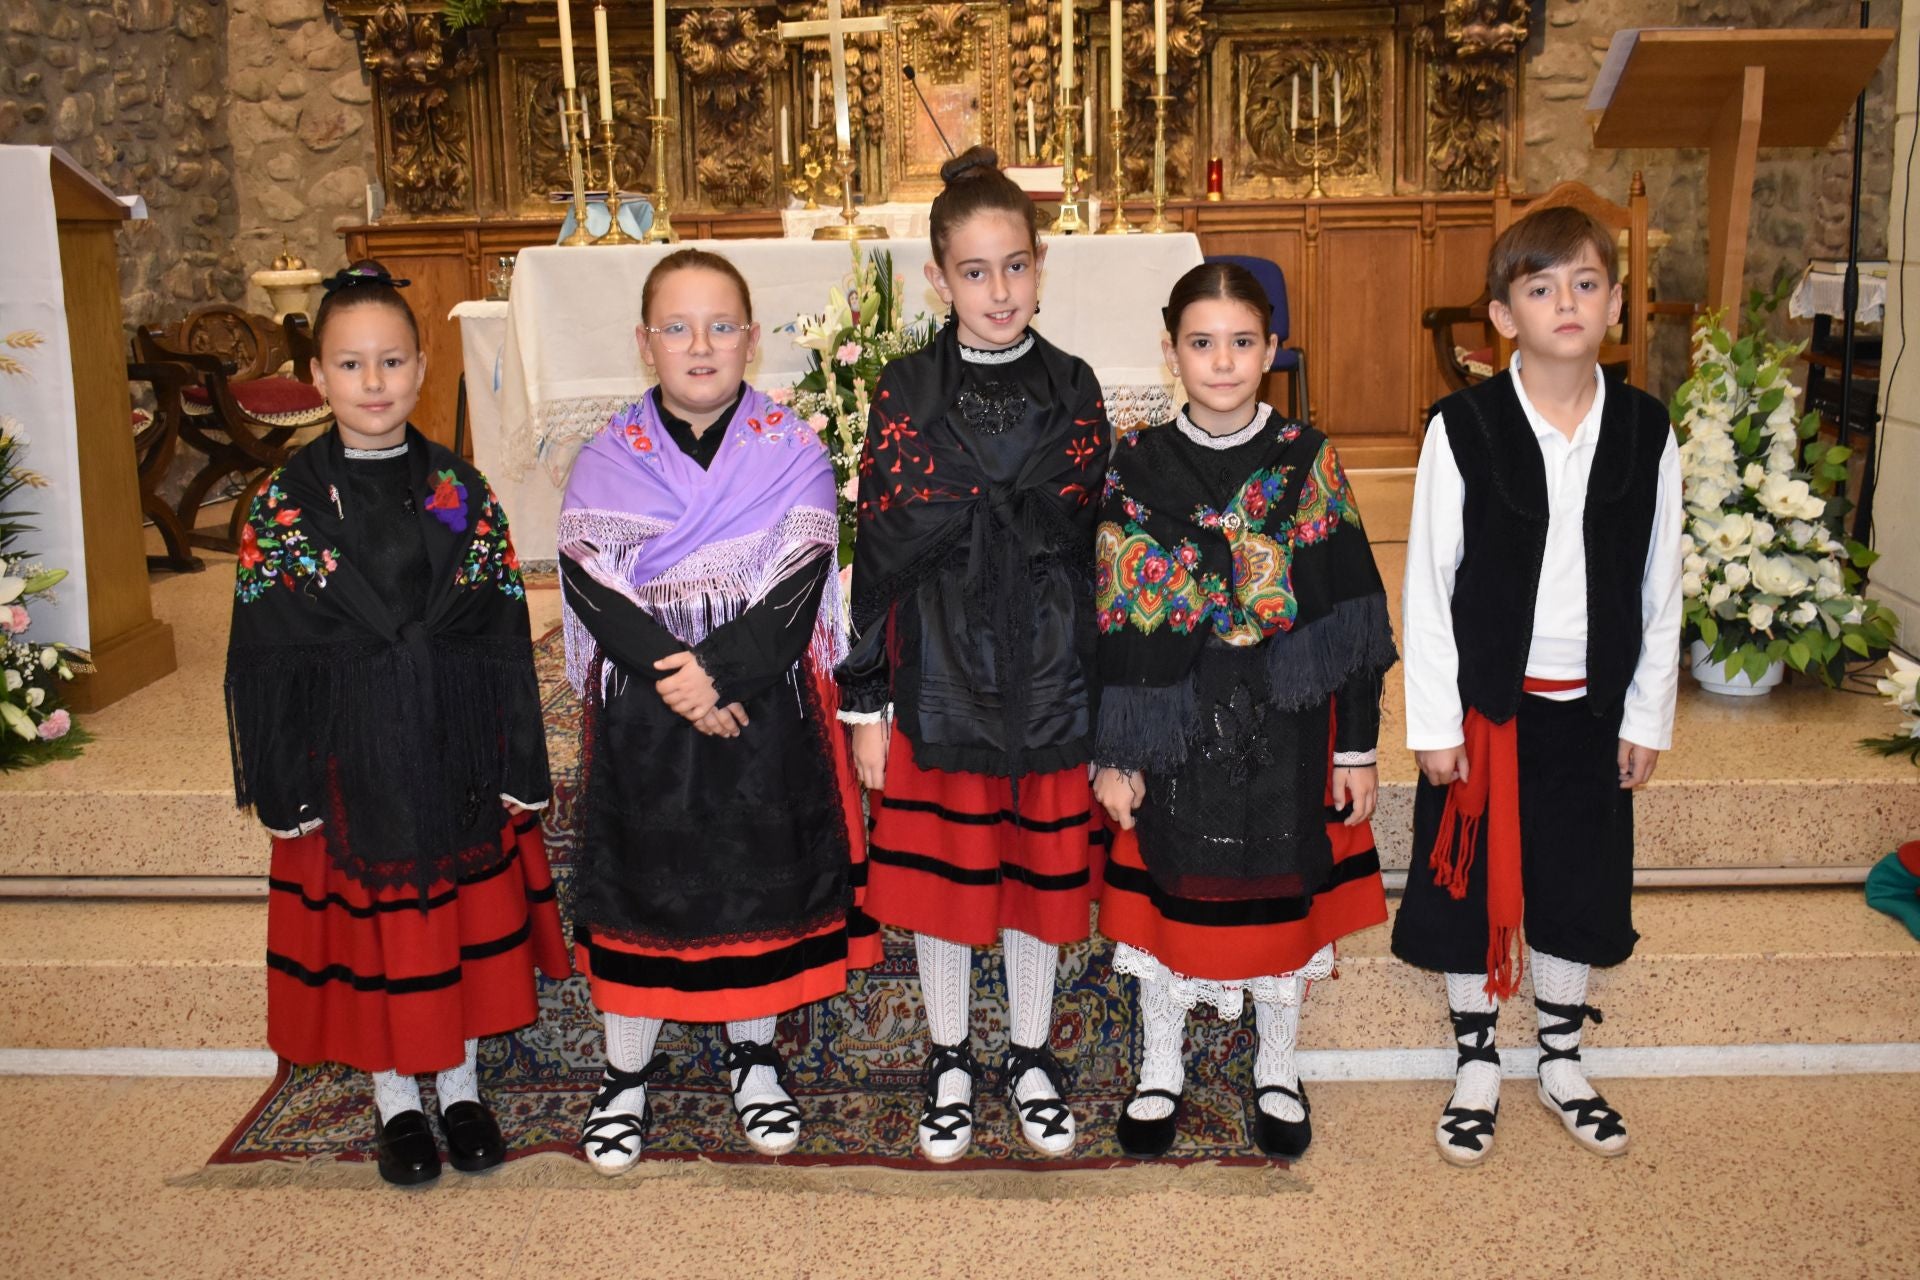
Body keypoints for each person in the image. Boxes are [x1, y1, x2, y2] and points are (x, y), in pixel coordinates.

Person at [225, 261, 568, 1187]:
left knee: (442, 926)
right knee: (380, 931)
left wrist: (515, 754)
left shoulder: (458, 490)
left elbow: (498, 624)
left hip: (447, 742)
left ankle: (458, 1085)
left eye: (390, 362)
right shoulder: (287, 504)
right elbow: (265, 648)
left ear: (422, 370)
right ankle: (395, 1098)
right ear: (319, 378)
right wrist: (282, 778)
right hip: (348, 753)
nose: (372, 385)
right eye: (349, 365)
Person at [559, 248, 877, 1175]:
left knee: (755, 881)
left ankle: (755, 1058)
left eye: (721, 325)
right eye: (677, 327)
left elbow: (797, 583)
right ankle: (624, 1074)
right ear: (644, 342)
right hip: (646, 708)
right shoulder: (609, 453)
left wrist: (721, 674)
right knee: (645, 881)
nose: (700, 345)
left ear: (751, 339)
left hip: (761, 702)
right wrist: (676, 675)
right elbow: (588, 581)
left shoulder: (793, 447)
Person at [1393, 206, 1682, 1165]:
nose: (1567, 302)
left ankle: (1561, 1055)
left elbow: (1660, 581)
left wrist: (1646, 712)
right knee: (1469, 887)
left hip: (1592, 707)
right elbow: (1430, 582)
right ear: (1503, 315)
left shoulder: (1645, 428)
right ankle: (1477, 1058)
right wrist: (1434, 722)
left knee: (1574, 881)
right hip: (1490, 707)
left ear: (1614, 304)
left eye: (1587, 283)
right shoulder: (1465, 426)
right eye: (1542, 286)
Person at [839, 146, 1110, 1162]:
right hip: (938, 668)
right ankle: (951, 1052)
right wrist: (868, 702)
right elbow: (882, 549)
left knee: (1040, 874)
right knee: (946, 878)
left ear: (1042, 266)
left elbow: (1090, 549)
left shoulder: (1074, 387)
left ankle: (1031, 1051)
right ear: (937, 278)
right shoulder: (906, 388)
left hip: (1048, 668)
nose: (999, 291)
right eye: (975, 271)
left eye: (1016, 267)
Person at [1091, 262, 1396, 1160]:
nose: (1221, 362)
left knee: (1281, 899)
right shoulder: (1139, 465)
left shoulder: (1308, 458)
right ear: (1171, 349)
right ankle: (1160, 1069)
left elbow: (1352, 617)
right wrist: (1118, 752)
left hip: (1286, 723)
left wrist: (1359, 749)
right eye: (1200, 342)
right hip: (1173, 720)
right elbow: (1116, 617)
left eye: (1241, 342)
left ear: (1270, 350)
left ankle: (1276, 1066)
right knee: (1167, 896)